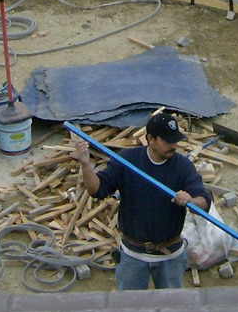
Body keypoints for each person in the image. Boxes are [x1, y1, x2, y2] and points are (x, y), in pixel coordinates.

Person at [72, 111, 211, 291]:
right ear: (151, 139)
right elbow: (97, 190)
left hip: (169, 255)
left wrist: (190, 200)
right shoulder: (127, 161)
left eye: (175, 140)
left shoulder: (183, 167)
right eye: (168, 141)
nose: (174, 145)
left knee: (171, 306)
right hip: (133, 255)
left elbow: (204, 201)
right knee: (130, 308)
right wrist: (85, 165)